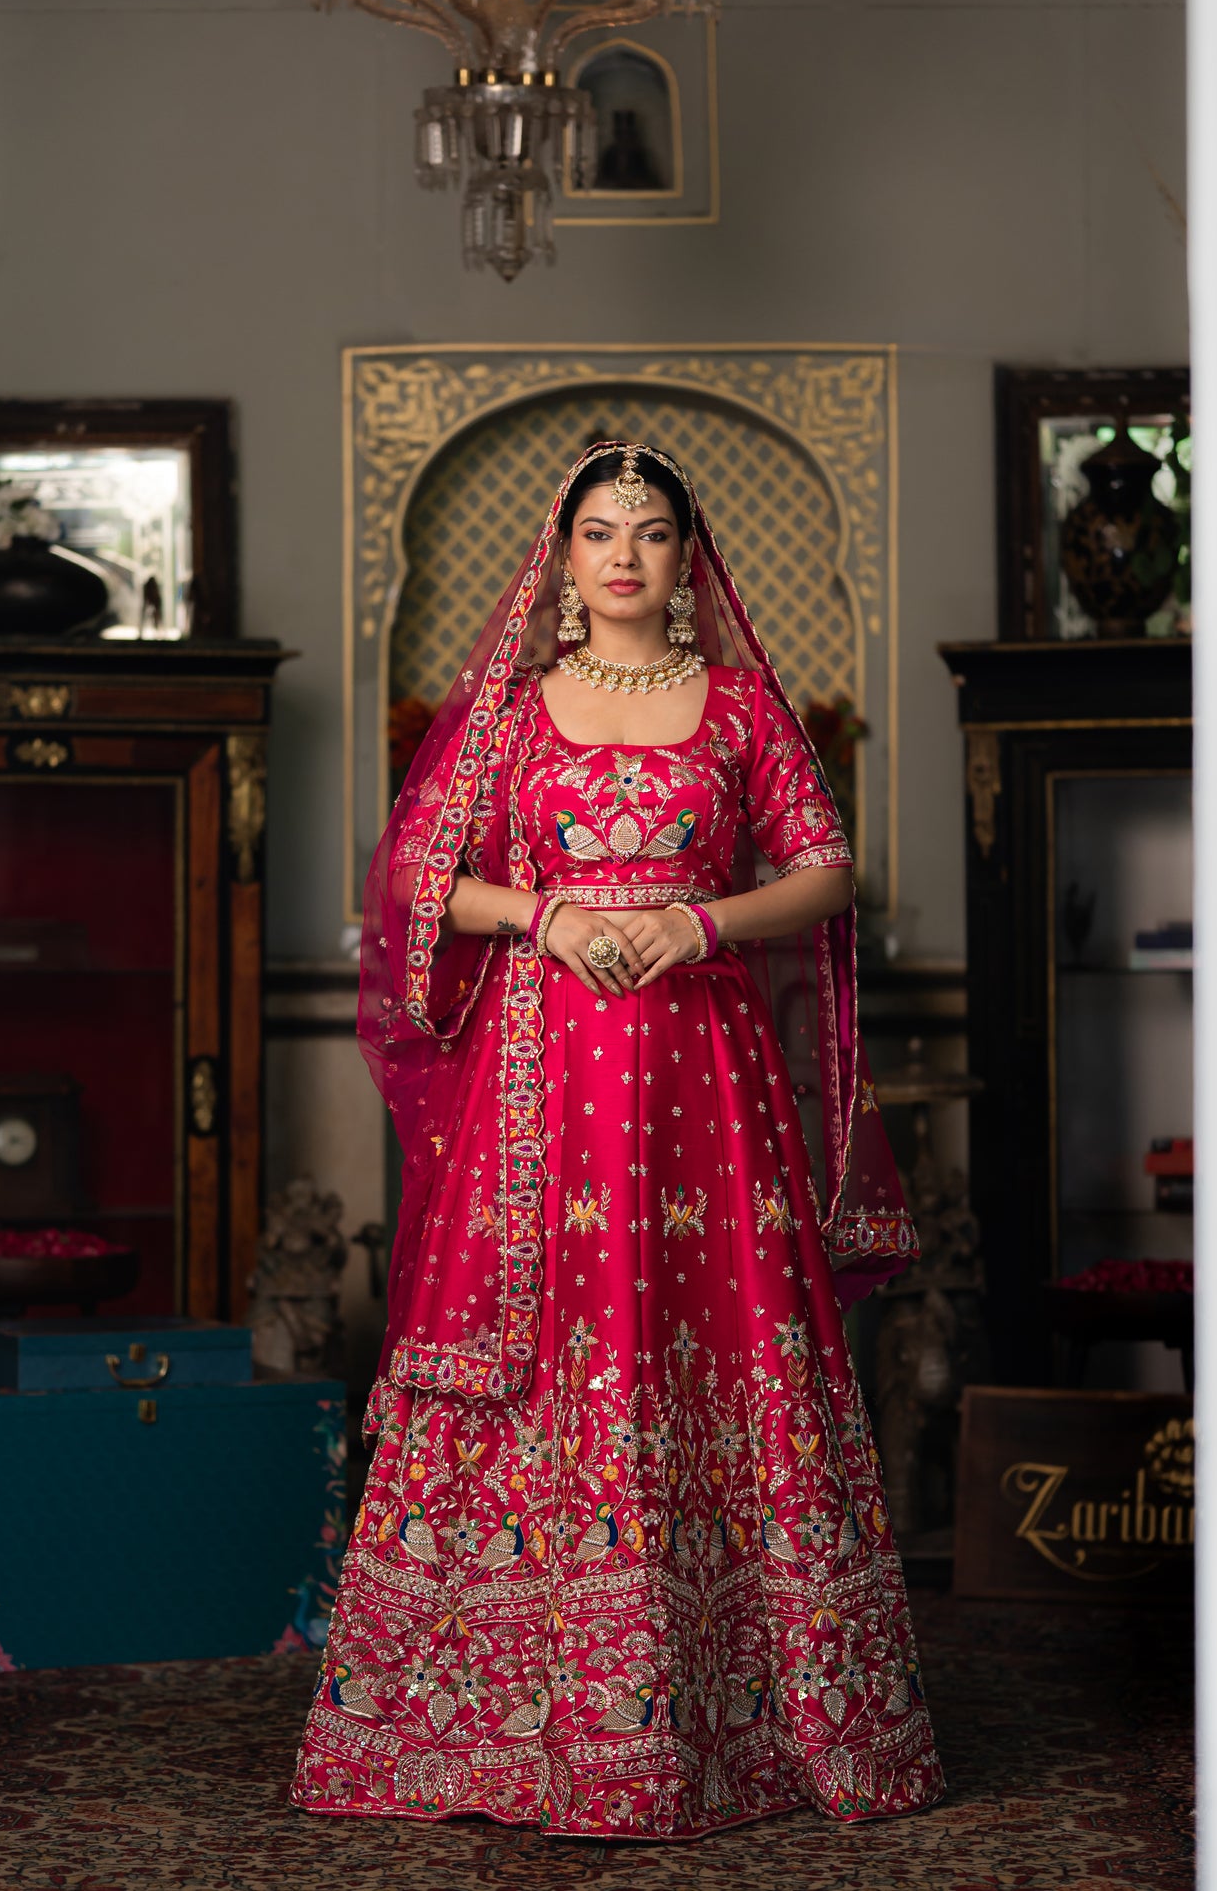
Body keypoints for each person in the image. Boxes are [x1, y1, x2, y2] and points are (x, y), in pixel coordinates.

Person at [291, 442, 944, 1838]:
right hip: (540, 1075)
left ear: (686, 558)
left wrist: (698, 923)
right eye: (600, 532)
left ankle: (756, 1726)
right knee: (546, 1335)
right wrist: (548, 916)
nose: (626, 556)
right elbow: (417, 882)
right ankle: (489, 1732)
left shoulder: (743, 709)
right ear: (564, 555)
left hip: (704, 1072)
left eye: (650, 532)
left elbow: (827, 871)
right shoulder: (512, 713)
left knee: (720, 1332)